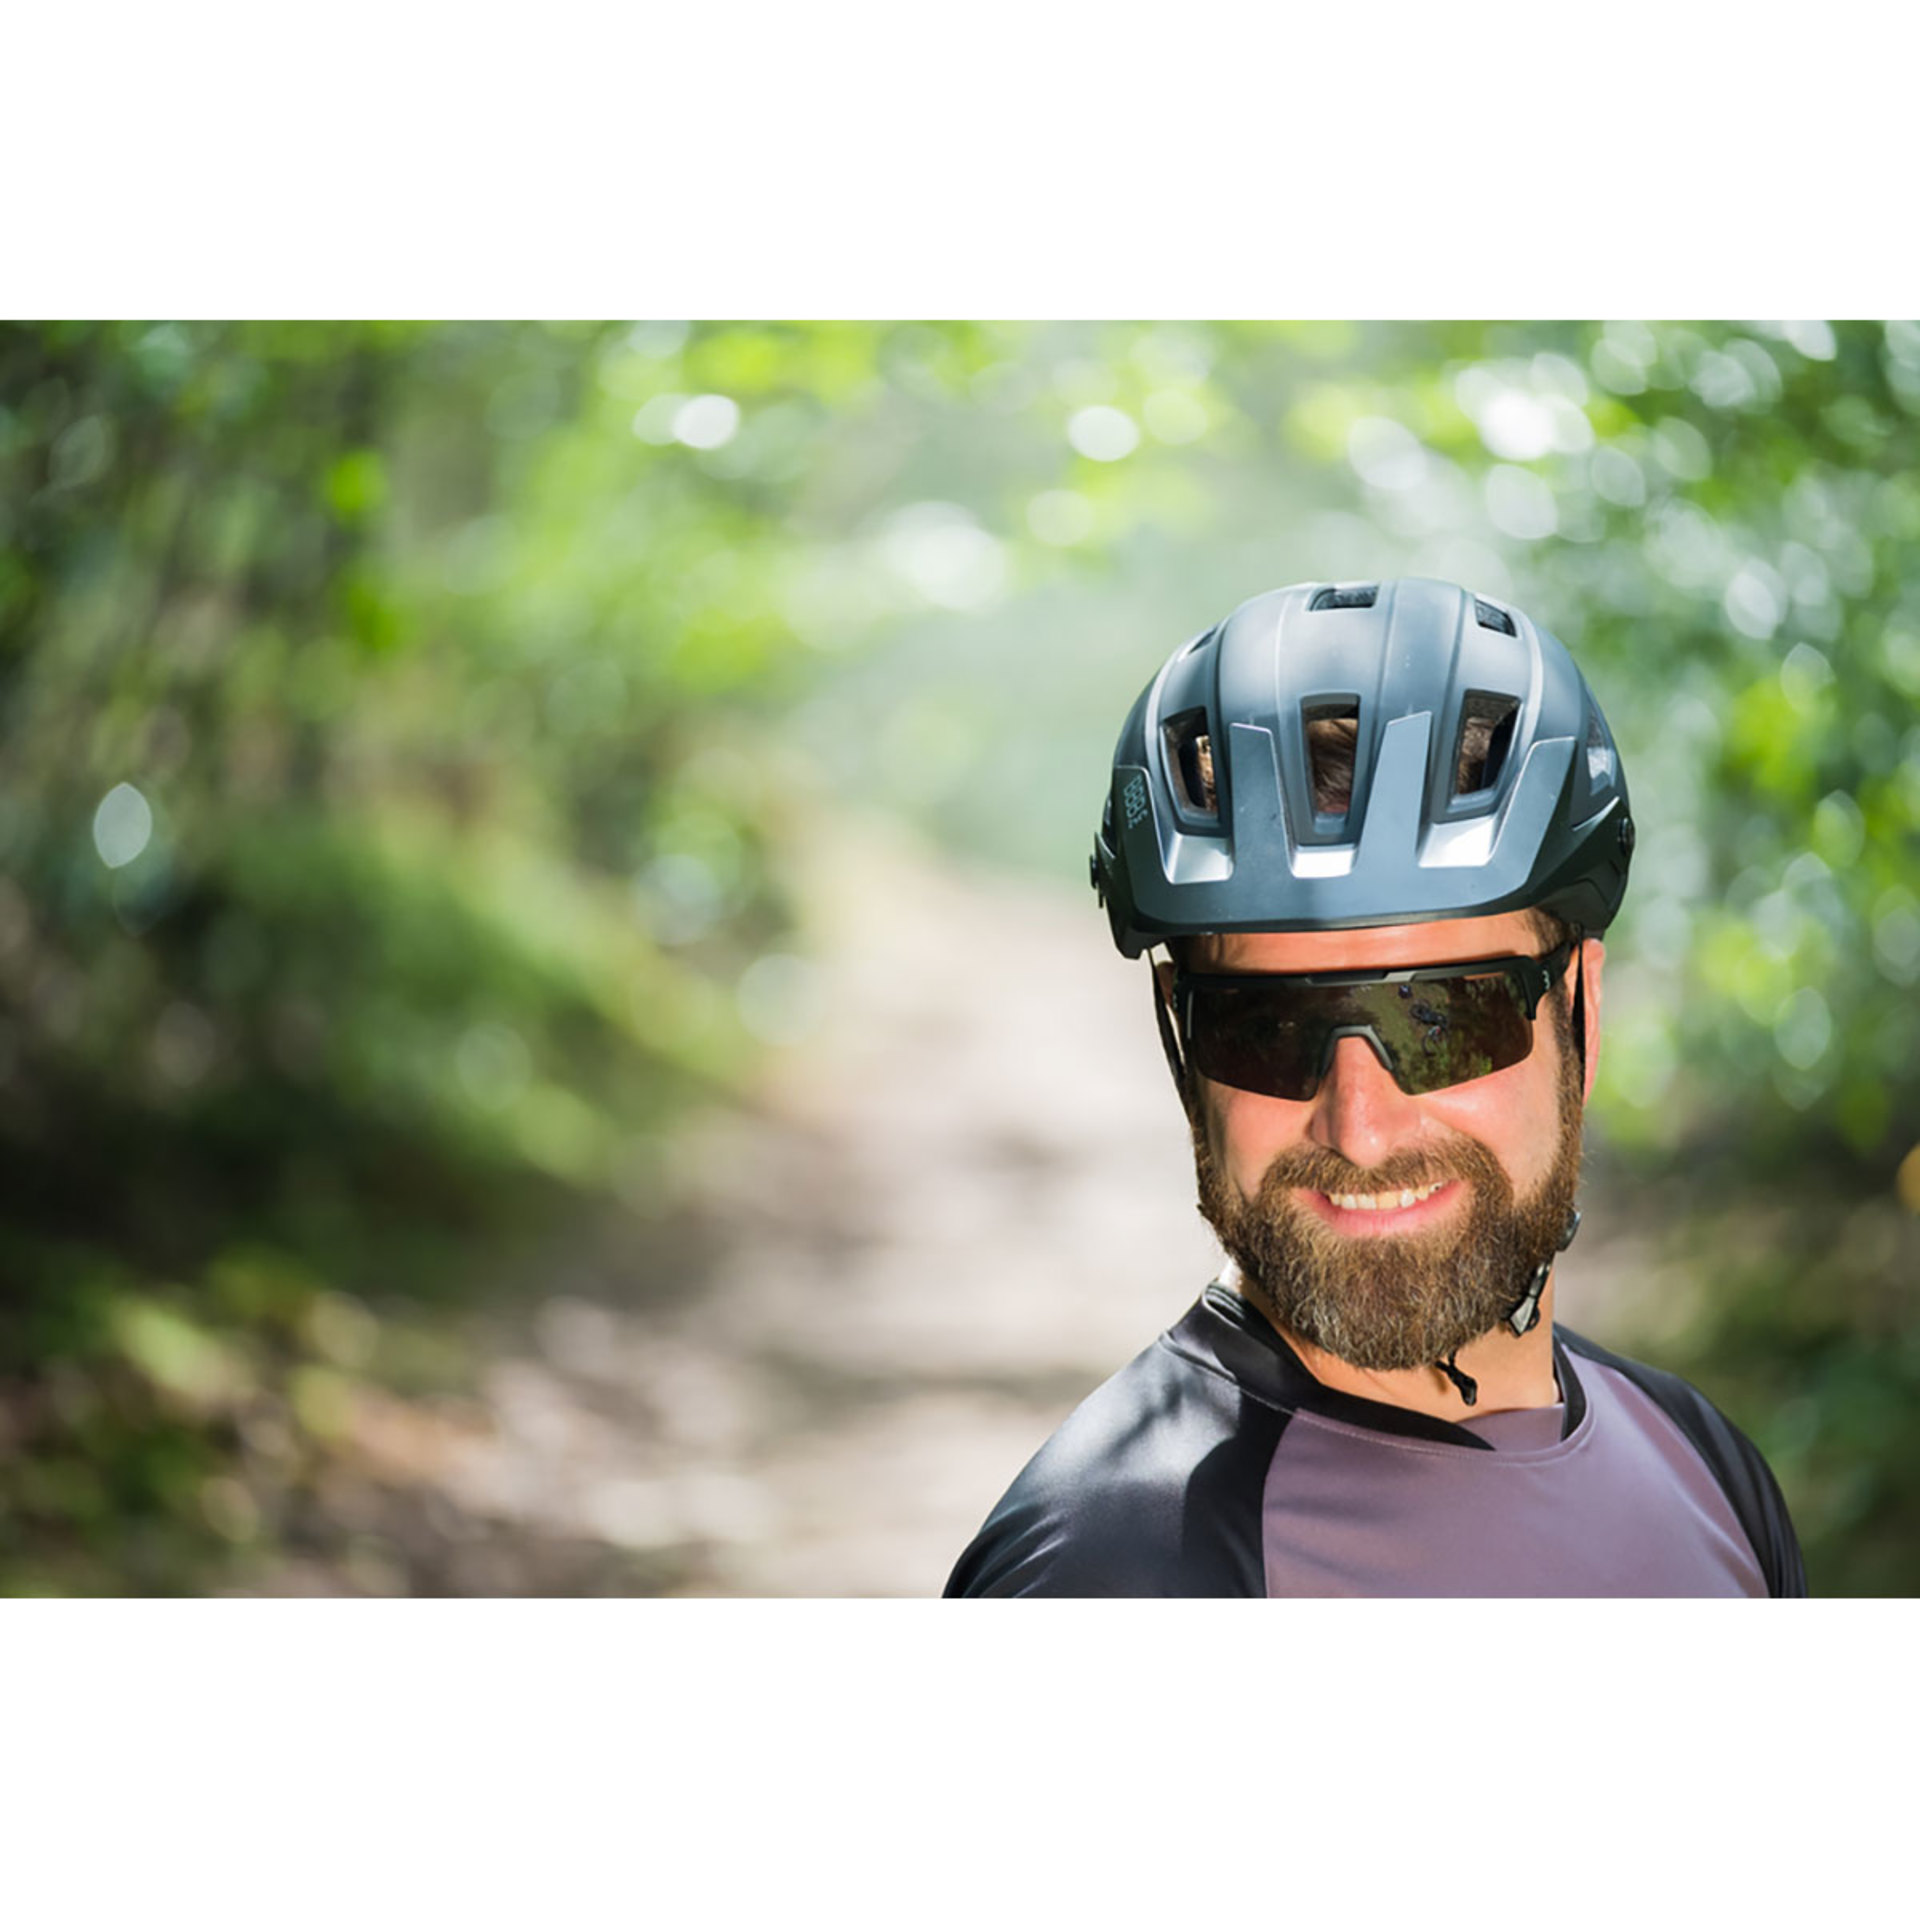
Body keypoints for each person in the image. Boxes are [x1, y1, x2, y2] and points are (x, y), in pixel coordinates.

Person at [945, 577, 1804, 1598]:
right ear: (1184, 1038)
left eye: (1442, 1018)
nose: (1359, 1129)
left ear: (1582, 1006)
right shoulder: (1111, 1568)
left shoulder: (1708, 1472)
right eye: (1268, 1028)